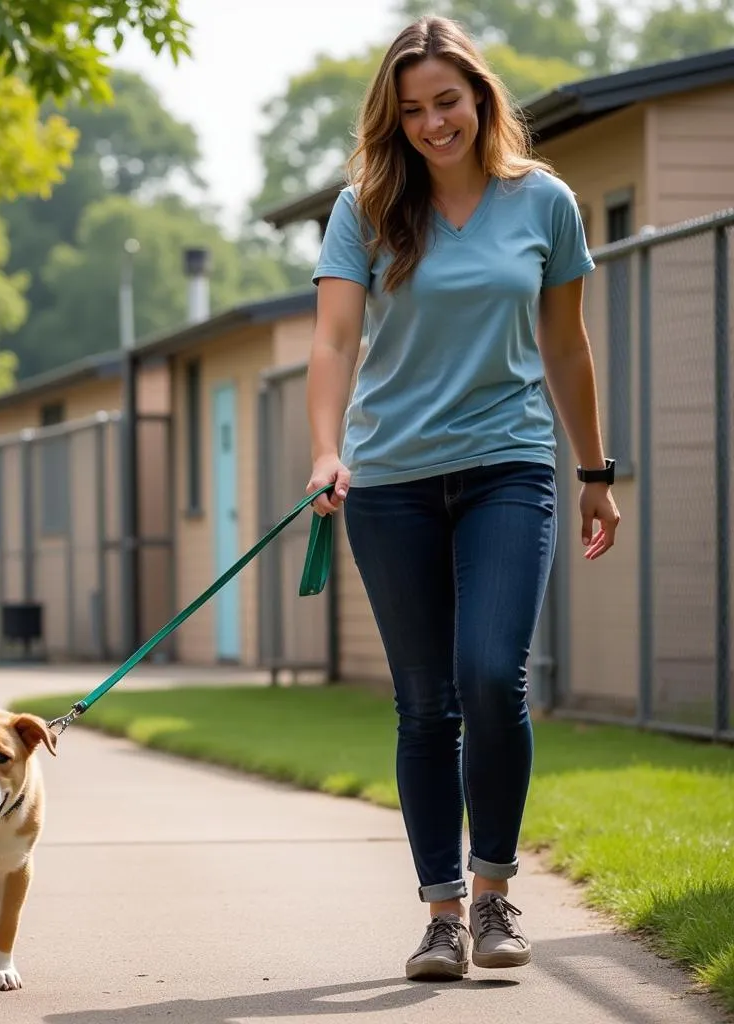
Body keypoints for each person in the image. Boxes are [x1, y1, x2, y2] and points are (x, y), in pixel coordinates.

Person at [304, 15, 620, 982]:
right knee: (425, 704)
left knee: (491, 674)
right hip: (390, 478)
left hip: (508, 467)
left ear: (481, 96)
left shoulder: (546, 202)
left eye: (447, 101)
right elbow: (332, 343)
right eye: (412, 111)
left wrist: (596, 473)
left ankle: (494, 895)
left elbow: (566, 345)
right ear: (391, 121)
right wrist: (325, 451)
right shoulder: (366, 207)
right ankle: (441, 914)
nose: (434, 123)